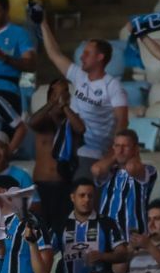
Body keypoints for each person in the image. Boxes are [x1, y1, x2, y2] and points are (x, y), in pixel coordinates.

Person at [39, 19, 127, 174]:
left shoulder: (112, 85)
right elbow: (54, 54)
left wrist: (111, 156)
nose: (81, 57)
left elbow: (122, 122)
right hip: (70, 148)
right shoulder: (79, 76)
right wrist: (43, 23)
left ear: (100, 57)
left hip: (92, 153)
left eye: (87, 54)